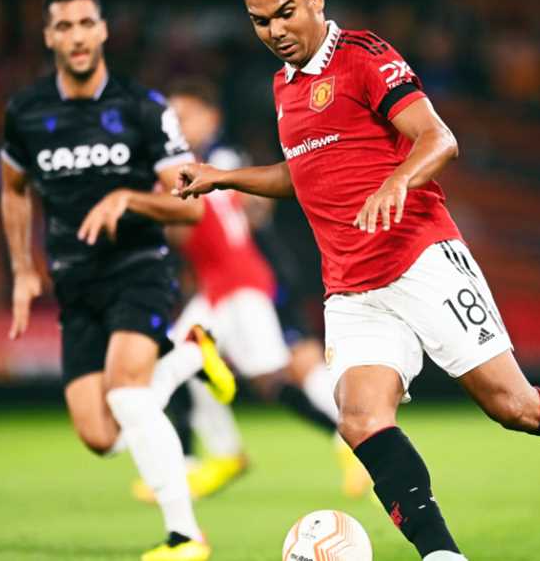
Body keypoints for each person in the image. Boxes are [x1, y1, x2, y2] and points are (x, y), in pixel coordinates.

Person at [174, 0, 540, 559]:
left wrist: (397, 181)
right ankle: (442, 554)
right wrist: (223, 177)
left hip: (421, 258)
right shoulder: (284, 85)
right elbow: (302, 174)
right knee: (359, 419)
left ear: (315, 0)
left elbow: (438, 139)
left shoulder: (363, 55)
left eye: (285, 12)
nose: (275, 30)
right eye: (261, 21)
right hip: (353, 287)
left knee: (513, 405)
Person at [0, 0, 235, 561]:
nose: (77, 36)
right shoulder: (26, 112)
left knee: (129, 394)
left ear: (103, 30)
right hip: (75, 282)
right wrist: (23, 268)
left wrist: (128, 198)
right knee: (102, 437)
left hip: (138, 268)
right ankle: (189, 353)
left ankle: (186, 536)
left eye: (86, 23)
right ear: (49, 37)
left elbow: (191, 204)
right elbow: (13, 189)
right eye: (64, 26)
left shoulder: (143, 107)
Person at [131, 79, 369, 503]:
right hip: (224, 287)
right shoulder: (205, 163)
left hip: (241, 285)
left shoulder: (206, 164)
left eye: (184, 116)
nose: (177, 126)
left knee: (271, 378)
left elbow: (190, 225)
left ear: (211, 117)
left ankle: (353, 439)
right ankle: (209, 458)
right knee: (179, 361)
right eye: (171, 118)